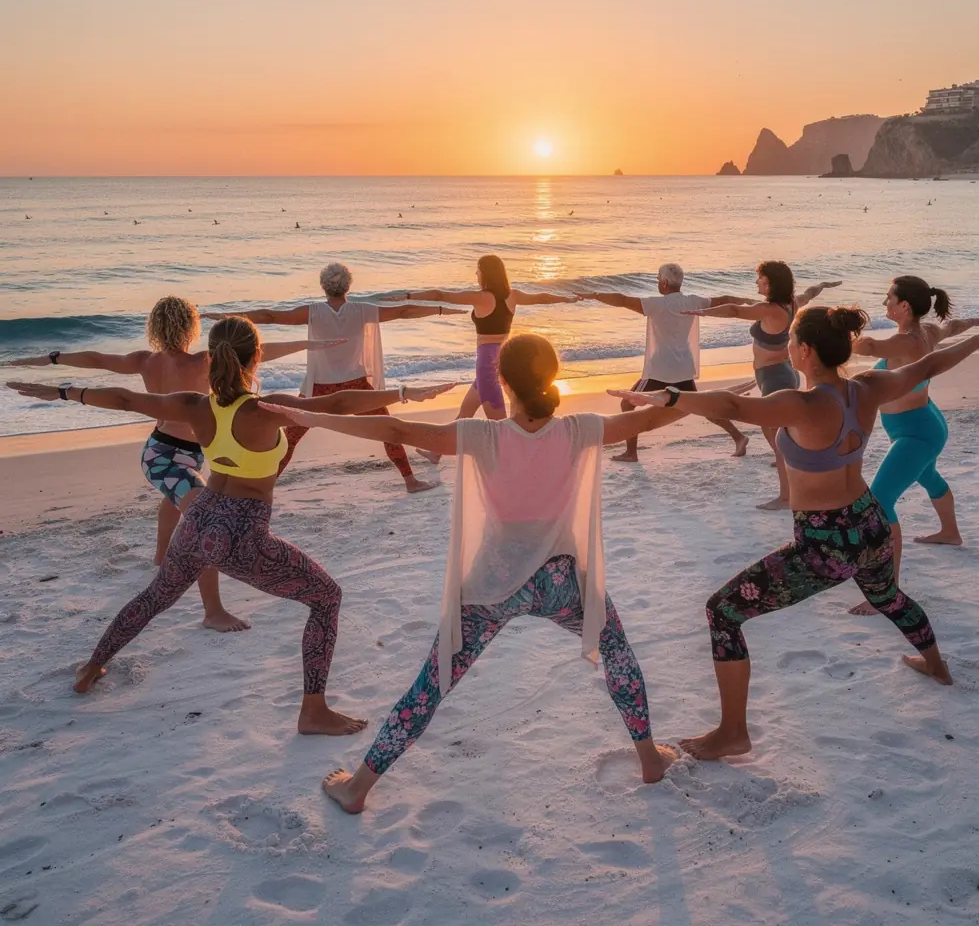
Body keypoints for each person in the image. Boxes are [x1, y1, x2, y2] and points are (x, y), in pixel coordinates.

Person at [262, 335, 753, 813]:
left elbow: (396, 431)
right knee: (617, 654)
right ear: (553, 377)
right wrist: (712, 399)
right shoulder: (581, 429)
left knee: (432, 684)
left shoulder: (483, 435)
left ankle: (358, 787)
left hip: (493, 582)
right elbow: (660, 414)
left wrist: (306, 416)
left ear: (502, 382)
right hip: (560, 580)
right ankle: (649, 759)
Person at [6, 316, 454, 735]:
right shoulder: (266, 409)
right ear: (254, 359)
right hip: (242, 531)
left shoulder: (196, 405)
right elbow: (337, 402)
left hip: (199, 519)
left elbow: (124, 399)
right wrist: (404, 392)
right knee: (326, 598)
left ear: (214, 355)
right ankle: (313, 710)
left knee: (157, 594)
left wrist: (62, 392)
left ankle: (91, 667)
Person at [611, 309, 979, 760]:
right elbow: (930, 365)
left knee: (723, 612)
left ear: (805, 351)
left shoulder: (803, 404)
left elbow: (731, 406)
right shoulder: (867, 387)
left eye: (791, 342)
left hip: (824, 545)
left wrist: (667, 397)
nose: (788, 348)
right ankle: (937, 666)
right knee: (889, 598)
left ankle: (733, 732)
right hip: (871, 524)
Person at [4, 296, 340, 633]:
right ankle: (213, 611)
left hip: (164, 451)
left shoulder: (144, 360)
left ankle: (161, 556)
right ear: (191, 327)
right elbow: (262, 351)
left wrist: (53, 359)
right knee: (203, 523)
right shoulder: (202, 362)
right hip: (166, 459)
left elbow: (97, 359)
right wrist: (313, 345)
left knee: (176, 502)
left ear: (155, 327)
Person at [203, 263, 462, 492]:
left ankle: (265, 486)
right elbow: (404, 311)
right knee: (388, 429)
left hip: (318, 390)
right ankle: (410, 481)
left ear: (324, 286)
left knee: (291, 439)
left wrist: (226, 317)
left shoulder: (313, 311)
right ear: (347, 286)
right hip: (356, 387)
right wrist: (441, 309)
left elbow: (271, 316)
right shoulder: (362, 310)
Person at [846, 277, 979, 615]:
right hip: (926, 424)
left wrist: (827, 337)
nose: (884, 303)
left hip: (916, 433)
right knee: (929, 477)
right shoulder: (926, 333)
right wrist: (976, 323)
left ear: (905, 307)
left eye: (889, 298)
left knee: (881, 502)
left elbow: (868, 347)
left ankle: (888, 589)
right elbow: (954, 325)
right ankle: (950, 532)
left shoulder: (905, 343)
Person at [684, 263, 841, 509]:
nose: (756, 283)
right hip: (780, 374)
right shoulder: (792, 304)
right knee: (782, 437)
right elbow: (811, 292)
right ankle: (793, 469)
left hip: (775, 377)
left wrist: (702, 312)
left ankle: (786, 496)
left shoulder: (770, 310)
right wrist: (822, 285)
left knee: (778, 440)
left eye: (760, 279)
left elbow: (735, 310)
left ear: (770, 284)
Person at [392, 255, 578, 460]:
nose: (476, 274)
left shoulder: (481, 298)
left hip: (487, 365)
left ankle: (520, 458)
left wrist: (407, 296)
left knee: (500, 426)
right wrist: (567, 298)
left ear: (485, 273)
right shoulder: (513, 296)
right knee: (465, 414)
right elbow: (542, 297)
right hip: (503, 359)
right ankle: (437, 453)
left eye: (477, 270)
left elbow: (440, 295)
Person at [574, 262, 749, 460]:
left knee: (627, 403)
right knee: (701, 406)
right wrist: (749, 302)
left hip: (659, 370)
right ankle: (739, 436)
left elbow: (622, 300)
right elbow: (725, 300)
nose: (657, 282)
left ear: (664, 282)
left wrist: (594, 295)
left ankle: (631, 452)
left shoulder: (656, 305)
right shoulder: (693, 301)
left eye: (658, 279)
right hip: (683, 368)